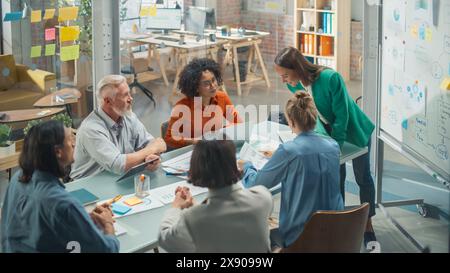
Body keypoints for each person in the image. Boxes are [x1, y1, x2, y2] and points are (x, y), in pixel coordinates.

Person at [273, 47, 377, 245]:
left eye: (285, 75)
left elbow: (342, 115)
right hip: (330, 136)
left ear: (297, 68)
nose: (283, 81)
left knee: (363, 177)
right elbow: (314, 117)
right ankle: (339, 223)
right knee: (335, 178)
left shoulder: (330, 78)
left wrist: (334, 147)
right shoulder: (294, 86)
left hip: (354, 131)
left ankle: (367, 224)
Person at [240, 92, 343, 248]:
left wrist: (247, 166)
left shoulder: (289, 151)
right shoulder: (333, 147)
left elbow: (256, 185)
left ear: (292, 122)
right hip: (337, 232)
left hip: (300, 238)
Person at [1, 120, 119, 253]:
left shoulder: (18, 179)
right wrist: (108, 224)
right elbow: (106, 250)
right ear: (58, 151)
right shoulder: (62, 203)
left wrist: (80, 219)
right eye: (70, 139)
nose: (74, 143)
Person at [158, 140, 273, 253]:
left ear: (196, 171)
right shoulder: (263, 197)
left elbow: (165, 238)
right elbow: (228, 217)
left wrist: (176, 207)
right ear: (235, 165)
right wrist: (198, 206)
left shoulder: (193, 218)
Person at [70, 75, 166, 179]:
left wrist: (151, 158)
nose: (131, 98)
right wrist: (152, 149)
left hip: (117, 179)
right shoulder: (90, 129)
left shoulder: (128, 117)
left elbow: (157, 144)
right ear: (108, 101)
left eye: (129, 93)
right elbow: (118, 165)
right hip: (87, 186)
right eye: (125, 95)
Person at [164, 58, 242, 149]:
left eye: (213, 80)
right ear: (196, 87)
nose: (213, 86)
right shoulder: (182, 107)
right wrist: (194, 141)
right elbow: (169, 138)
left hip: (214, 148)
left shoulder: (222, 98)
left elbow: (238, 123)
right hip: (194, 151)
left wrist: (224, 131)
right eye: (206, 84)